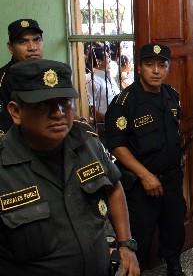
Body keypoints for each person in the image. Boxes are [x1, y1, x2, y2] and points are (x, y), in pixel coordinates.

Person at [0, 59, 139, 276]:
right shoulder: (4, 168)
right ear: (16, 112)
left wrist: (125, 245)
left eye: (64, 102)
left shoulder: (87, 143)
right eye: (43, 105)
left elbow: (113, 187)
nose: (58, 113)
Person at [104, 44, 185, 275]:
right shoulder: (124, 102)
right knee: (139, 235)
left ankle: (174, 267)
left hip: (171, 179)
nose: (156, 71)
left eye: (162, 65)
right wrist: (145, 175)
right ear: (139, 68)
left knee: (174, 228)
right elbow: (117, 146)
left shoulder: (172, 96)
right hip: (140, 185)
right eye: (150, 65)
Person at [0, 18, 44, 135]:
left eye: (37, 40)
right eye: (22, 42)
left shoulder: (52, 74)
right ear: (10, 47)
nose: (32, 47)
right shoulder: (2, 80)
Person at [86, 47, 121, 138]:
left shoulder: (109, 76)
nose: (109, 59)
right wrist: (108, 118)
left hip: (117, 123)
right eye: (107, 57)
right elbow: (90, 108)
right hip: (102, 126)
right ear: (99, 61)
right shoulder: (91, 80)